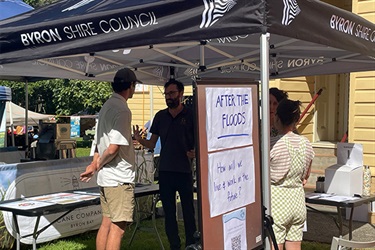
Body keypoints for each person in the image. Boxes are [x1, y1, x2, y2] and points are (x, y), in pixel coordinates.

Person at [80, 68, 140, 250]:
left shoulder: (106, 106)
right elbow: (113, 147)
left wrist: (94, 163)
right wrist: (97, 164)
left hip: (107, 178)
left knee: (106, 223)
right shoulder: (122, 110)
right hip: (118, 178)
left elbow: (99, 142)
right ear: (131, 85)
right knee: (118, 228)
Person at [133, 79, 197, 250]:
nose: (168, 97)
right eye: (166, 94)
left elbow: (201, 140)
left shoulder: (191, 115)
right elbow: (152, 144)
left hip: (184, 171)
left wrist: (196, 152)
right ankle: (174, 245)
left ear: (181, 94)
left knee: (188, 212)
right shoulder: (160, 116)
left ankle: (191, 244)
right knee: (169, 213)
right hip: (166, 171)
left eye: (172, 93)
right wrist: (140, 140)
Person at [269, 99, 314, 250]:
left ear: (277, 118)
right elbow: (306, 176)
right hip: (298, 201)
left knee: (276, 244)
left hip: (278, 200)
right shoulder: (306, 143)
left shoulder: (275, 144)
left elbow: (267, 176)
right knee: (295, 245)